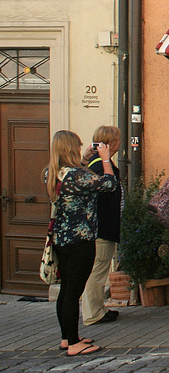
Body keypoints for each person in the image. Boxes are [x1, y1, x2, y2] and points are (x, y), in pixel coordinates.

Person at [44, 130, 116, 357]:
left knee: (66, 289)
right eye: (77, 146)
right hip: (80, 240)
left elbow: (76, 177)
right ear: (70, 148)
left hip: (61, 239)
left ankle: (67, 338)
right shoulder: (77, 175)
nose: (80, 148)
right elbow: (109, 184)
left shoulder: (51, 173)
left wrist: (85, 159)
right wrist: (105, 159)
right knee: (73, 291)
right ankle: (74, 343)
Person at [81, 126, 122, 327]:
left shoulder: (94, 163)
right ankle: (92, 313)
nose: (120, 143)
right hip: (101, 227)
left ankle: (98, 308)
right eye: (118, 139)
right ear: (111, 143)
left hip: (101, 226)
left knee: (98, 270)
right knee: (97, 271)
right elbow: (106, 190)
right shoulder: (99, 166)